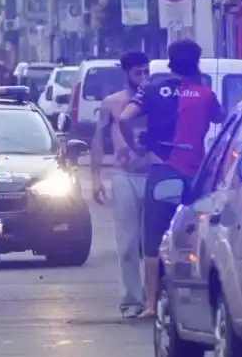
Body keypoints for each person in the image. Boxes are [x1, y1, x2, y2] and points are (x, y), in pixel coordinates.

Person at [117, 40, 224, 317]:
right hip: (195, 178)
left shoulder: (152, 89)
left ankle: (151, 304)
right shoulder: (205, 94)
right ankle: (199, 301)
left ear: (170, 61)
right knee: (195, 237)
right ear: (196, 63)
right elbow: (220, 119)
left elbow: (124, 118)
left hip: (163, 173)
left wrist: (136, 147)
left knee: (153, 241)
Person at [90, 51, 150, 319]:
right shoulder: (112, 103)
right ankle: (132, 300)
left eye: (146, 72)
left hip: (154, 175)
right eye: (138, 72)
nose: (143, 77)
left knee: (154, 244)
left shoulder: (156, 99)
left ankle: (155, 297)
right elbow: (99, 140)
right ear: (126, 73)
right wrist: (95, 178)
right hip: (123, 176)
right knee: (127, 244)